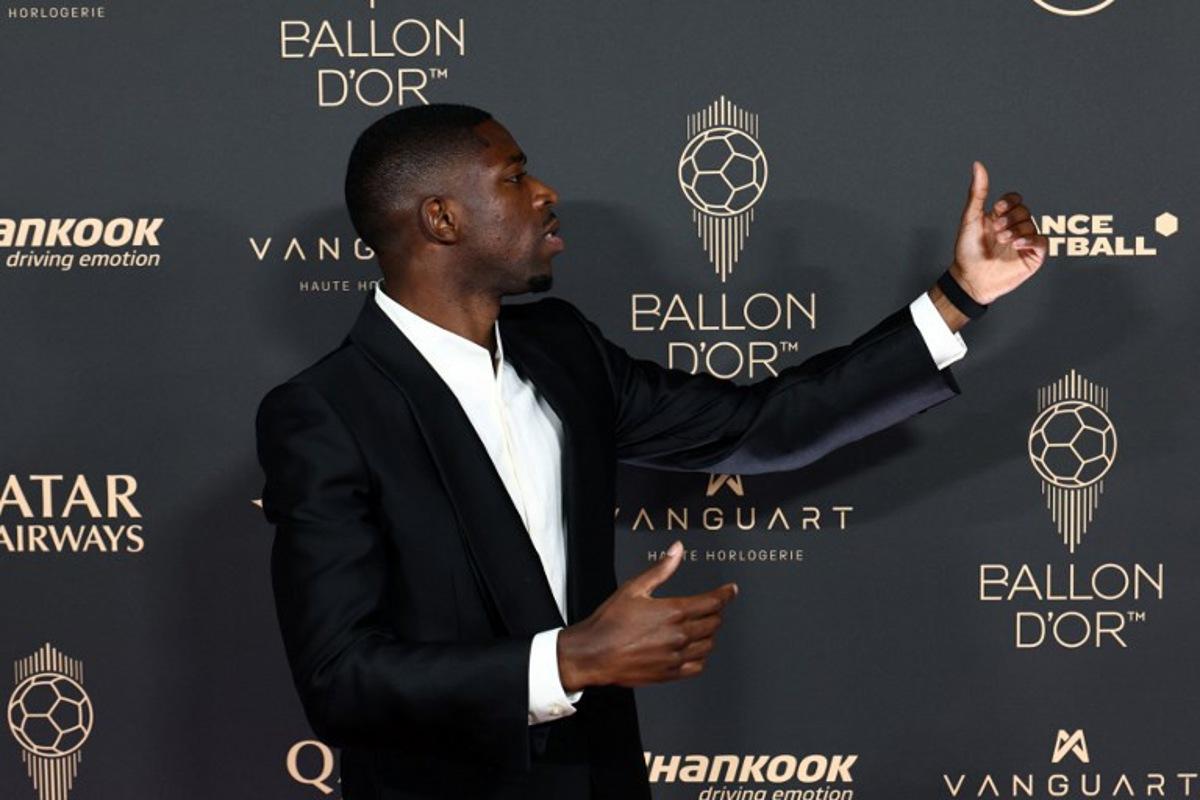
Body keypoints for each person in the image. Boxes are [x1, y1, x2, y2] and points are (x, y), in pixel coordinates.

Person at [255, 103, 1048, 799]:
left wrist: (960, 296)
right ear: (442, 219)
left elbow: (761, 424)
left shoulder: (562, 349)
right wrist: (568, 661)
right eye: (513, 176)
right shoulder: (326, 413)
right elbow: (340, 678)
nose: (545, 194)